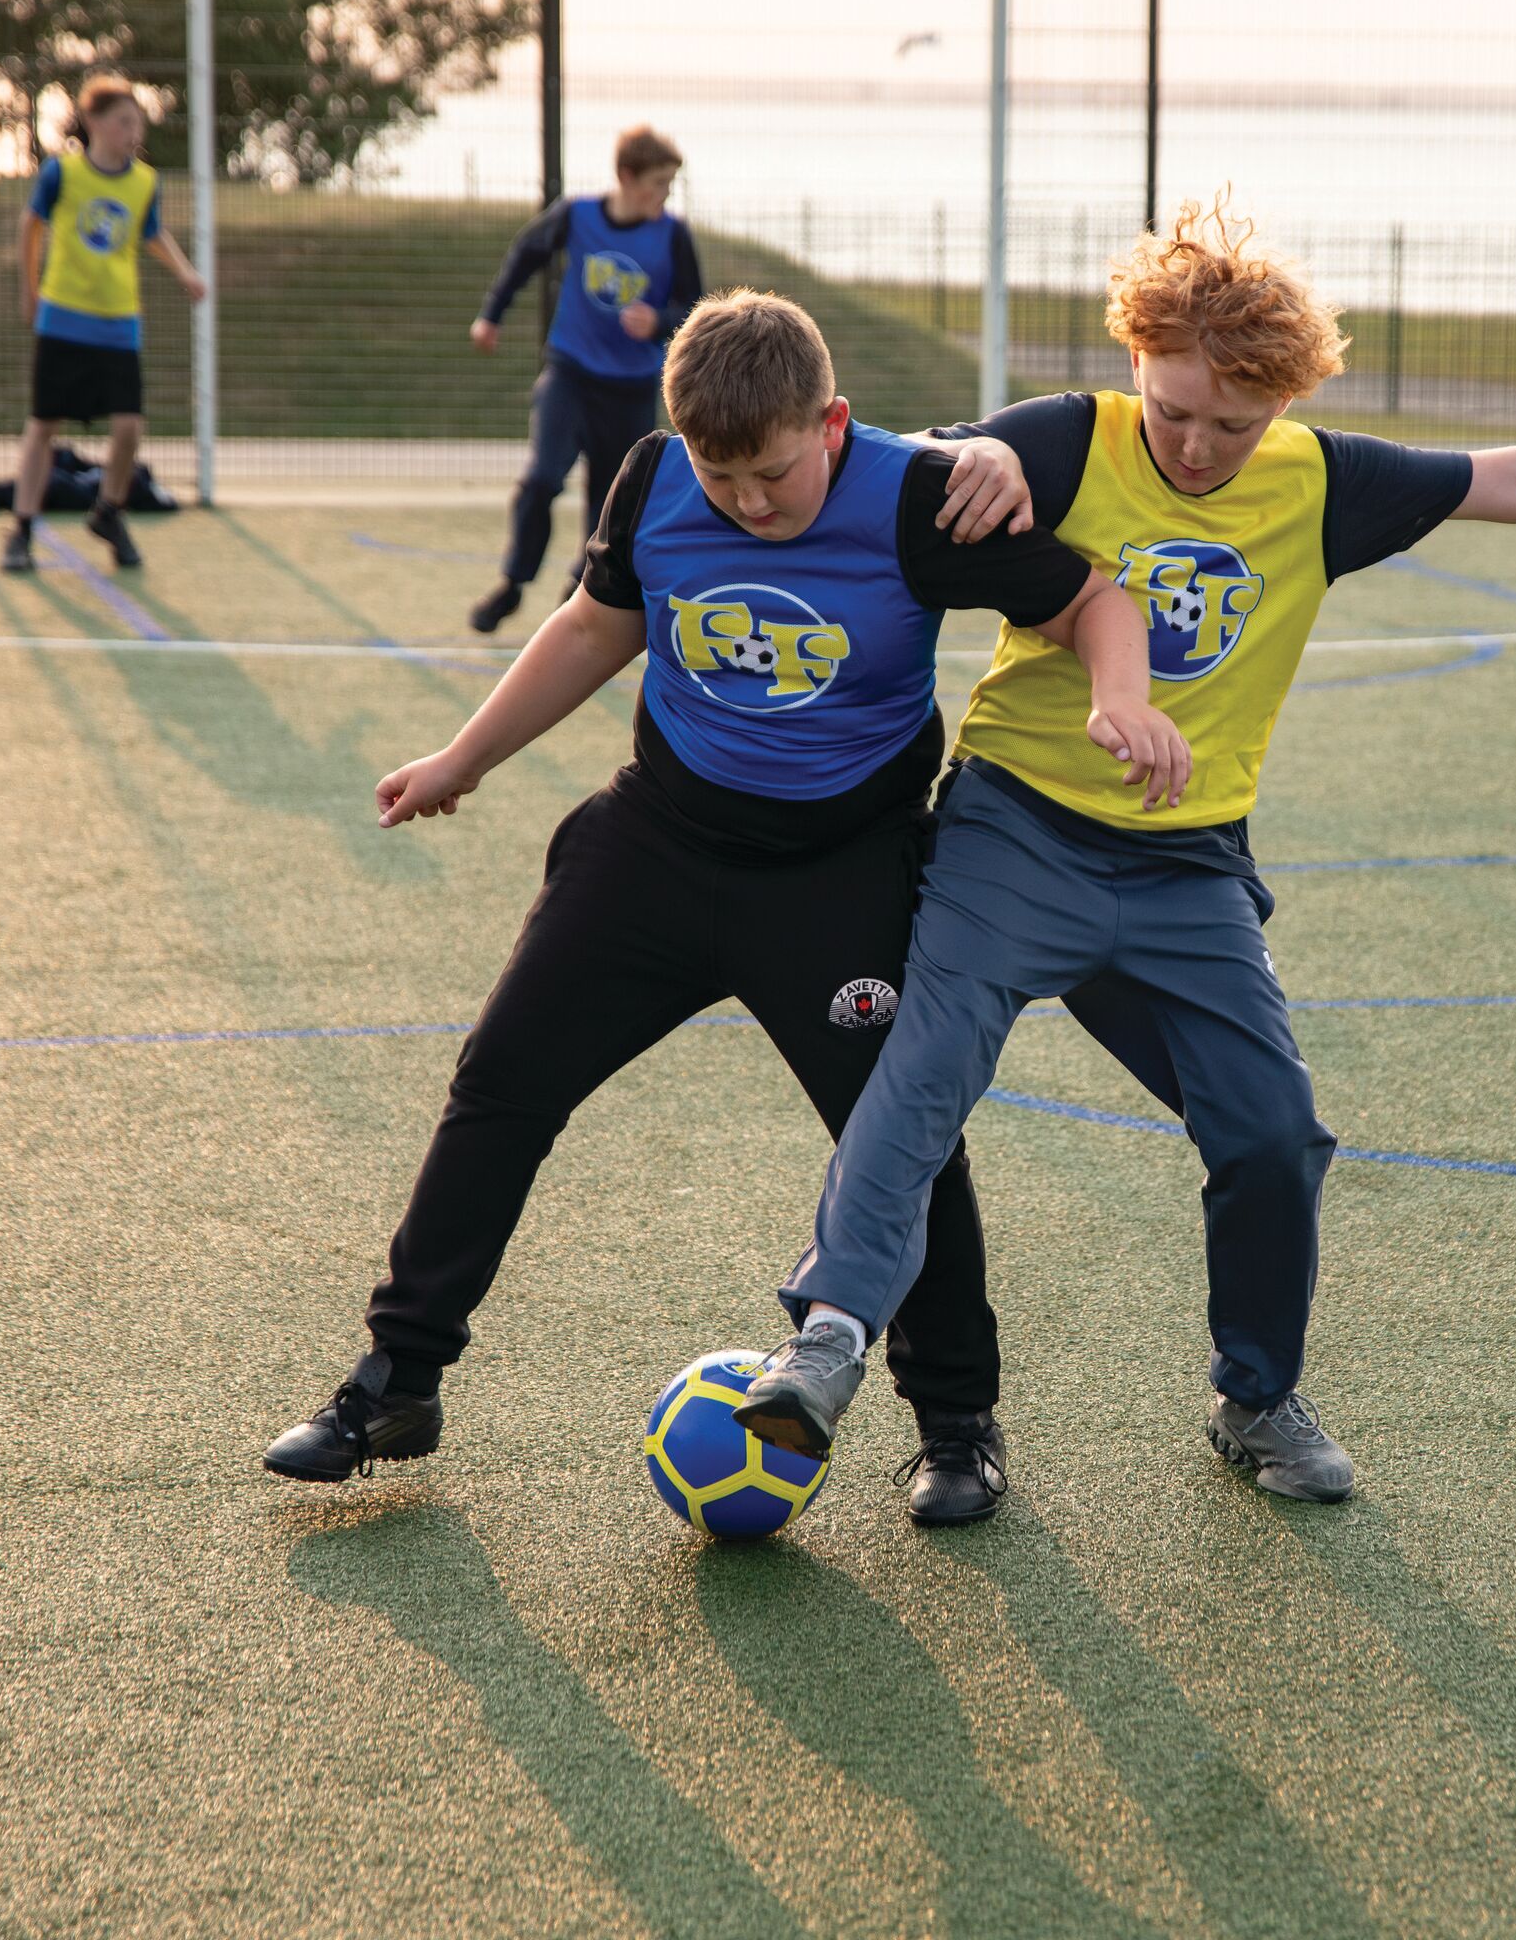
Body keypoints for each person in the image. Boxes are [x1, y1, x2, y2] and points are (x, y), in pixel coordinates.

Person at [727, 201, 1516, 1503]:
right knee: (925, 1076)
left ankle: (1257, 1397)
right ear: (1137, 363)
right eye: (1174, 411)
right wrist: (960, 445)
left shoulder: (1320, 482)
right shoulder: (1065, 440)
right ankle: (826, 1340)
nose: (1196, 445)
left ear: (1284, 401)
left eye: (1234, 423)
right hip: (1017, 831)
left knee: (1273, 1133)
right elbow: (889, 465)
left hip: (1188, 869)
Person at [261, 290, 1184, 1530]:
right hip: (659, 846)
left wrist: (1120, 694)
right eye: (722, 474)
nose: (748, 501)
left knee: (898, 1137)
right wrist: (460, 759)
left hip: (839, 873)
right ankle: (397, 1378)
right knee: (503, 1077)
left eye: (775, 473)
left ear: (833, 424)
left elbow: (1091, 601)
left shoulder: (918, 499)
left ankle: (957, 1419)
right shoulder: (652, 477)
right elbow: (595, 627)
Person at [466, 126, 707, 635]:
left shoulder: (672, 235)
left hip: (630, 389)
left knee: (610, 507)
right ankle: (513, 583)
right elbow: (526, 253)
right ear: (627, 177)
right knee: (542, 478)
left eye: (669, 185)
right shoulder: (577, 216)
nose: (664, 195)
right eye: (658, 184)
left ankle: (574, 597)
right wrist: (491, 314)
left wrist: (659, 322)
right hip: (570, 374)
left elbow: (695, 306)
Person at [0, 74, 206, 577]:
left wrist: (185, 272)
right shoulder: (62, 173)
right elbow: (31, 225)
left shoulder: (144, 182)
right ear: (93, 122)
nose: (133, 132)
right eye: (123, 122)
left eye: (137, 123)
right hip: (63, 318)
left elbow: (151, 232)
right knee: (44, 425)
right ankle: (22, 528)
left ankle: (109, 512)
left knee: (130, 426)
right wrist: (29, 289)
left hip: (119, 322)